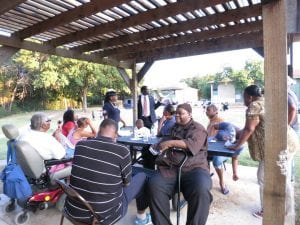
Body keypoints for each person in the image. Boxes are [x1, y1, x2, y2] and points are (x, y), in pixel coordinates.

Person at [228, 85, 299, 224]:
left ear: (249, 97)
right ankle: (288, 212)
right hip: (288, 142)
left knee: (263, 178)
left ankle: (268, 210)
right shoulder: (267, 100)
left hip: (275, 147)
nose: (243, 100)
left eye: (244, 97)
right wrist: (238, 137)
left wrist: (236, 145)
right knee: (284, 177)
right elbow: (248, 128)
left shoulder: (254, 105)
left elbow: (249, 129)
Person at [65, 119, 150, 225]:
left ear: (99, 131)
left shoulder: (80, 146)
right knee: (143, 177)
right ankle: (141, 217)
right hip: (103, 216)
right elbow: (127, 183)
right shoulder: (122, 151)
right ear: (116, 136)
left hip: (72, 210)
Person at [147, 103, 212, 225]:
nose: (177, 115)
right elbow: (162, 137)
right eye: (176, 113)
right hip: (171, 168)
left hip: (194, 168)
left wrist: (170, 143)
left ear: (190, 115)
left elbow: (192, 144)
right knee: (154, 185)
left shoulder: (198, 128)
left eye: (181, 113)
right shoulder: (174, 127)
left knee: (201, 188)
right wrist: (159, 145)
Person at [210, 122, 244, 195]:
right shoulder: (228, 125)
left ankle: (222, 182)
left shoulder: (239, 144)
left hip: (220, 154)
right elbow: (214, 126)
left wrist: (235, 173)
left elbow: (235, 157)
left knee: (216, 160)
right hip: (210, 146)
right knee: (201, 153)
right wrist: (213, 136)